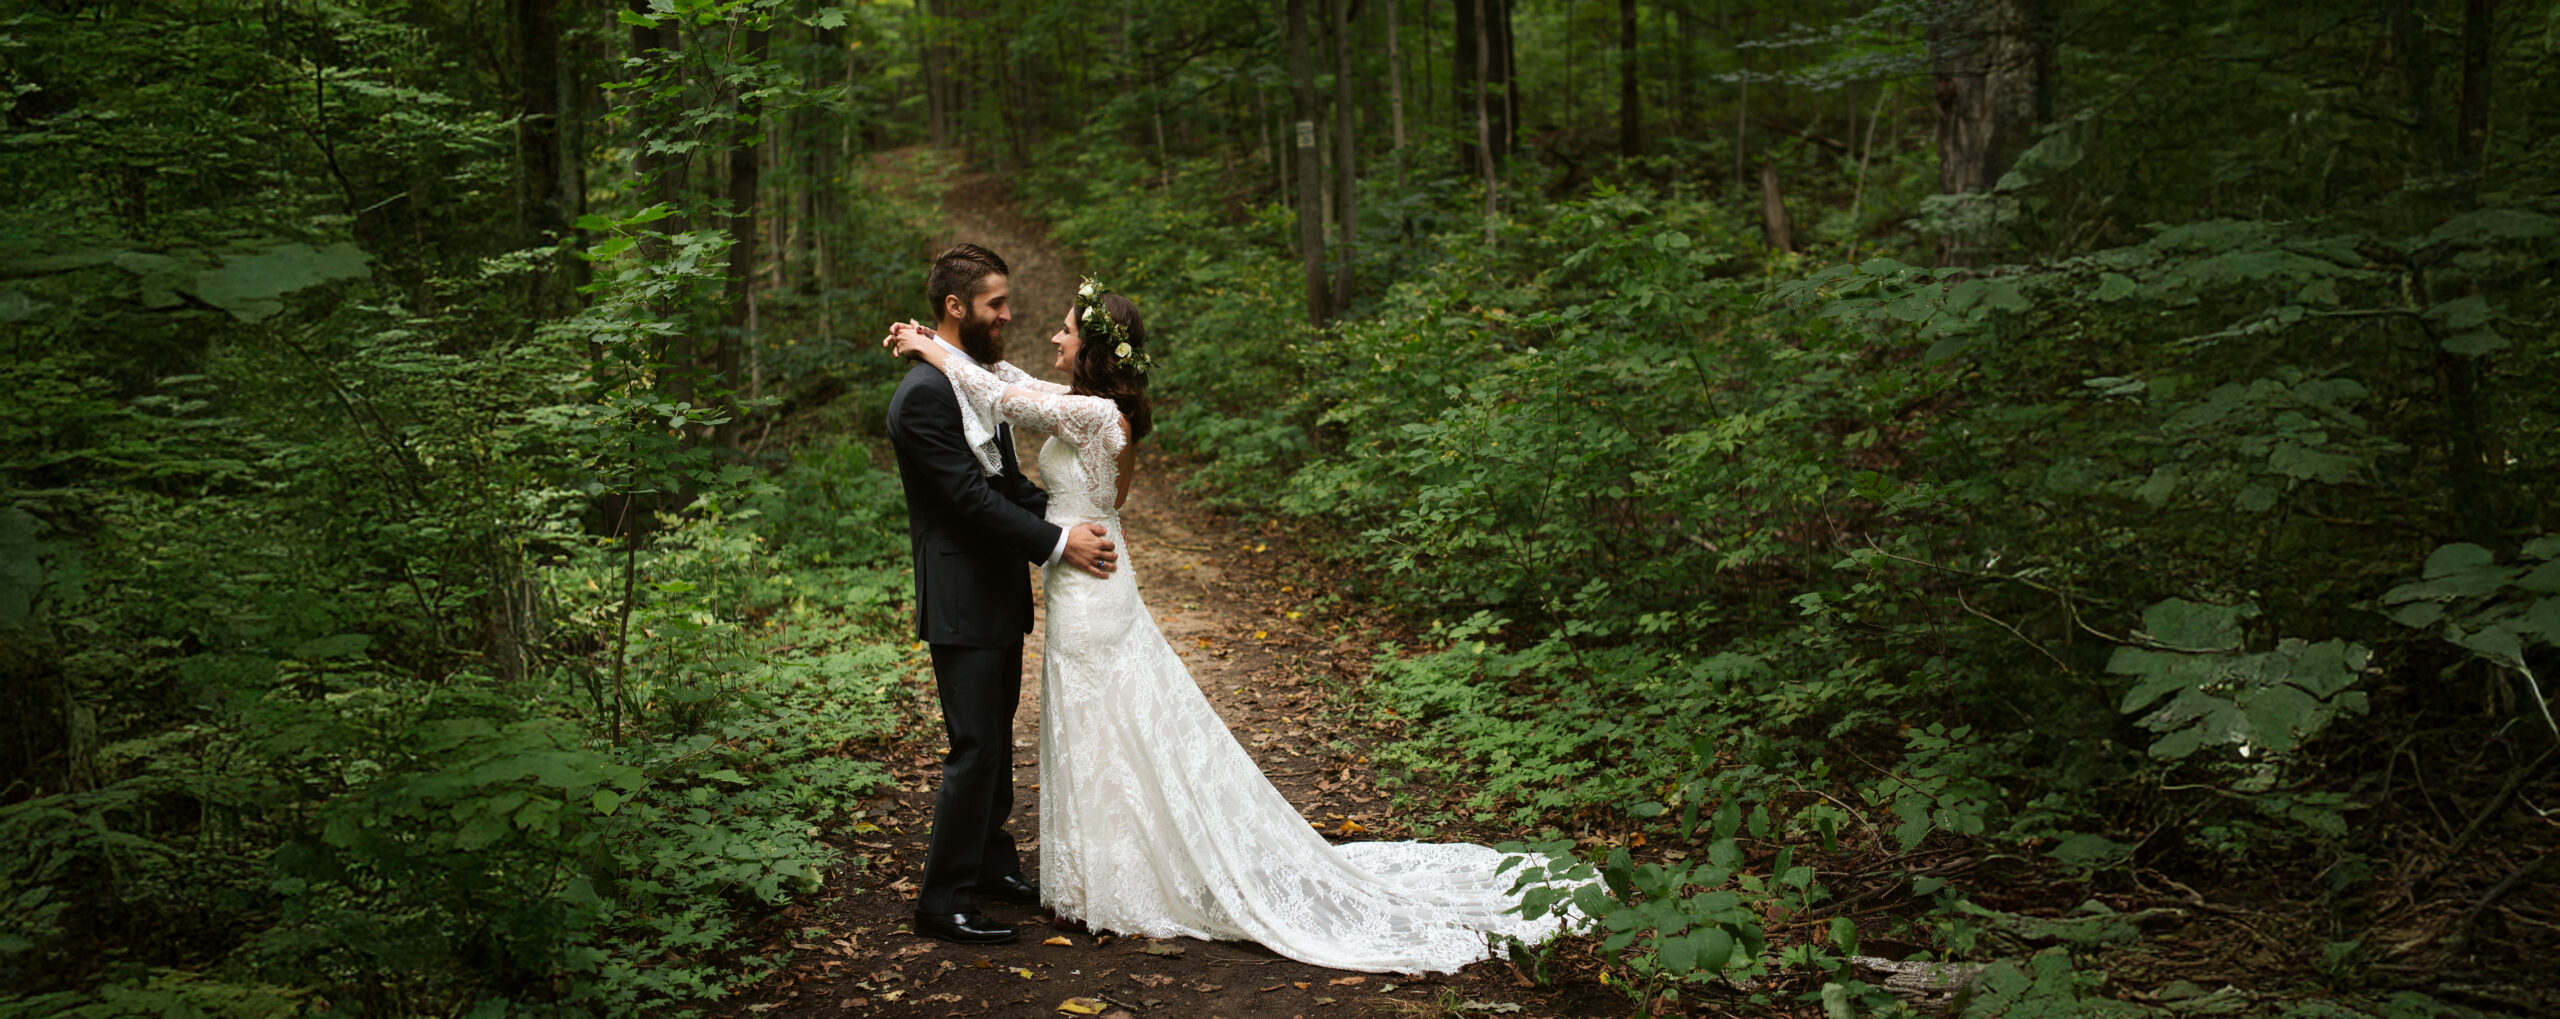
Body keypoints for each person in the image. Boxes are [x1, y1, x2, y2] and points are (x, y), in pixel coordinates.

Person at [883, 280, 1578, 973]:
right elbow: (1007, 378)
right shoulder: (1082, 404)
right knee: (1087, 721)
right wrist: (938, 343)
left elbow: (1003, 397)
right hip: (1078, 576)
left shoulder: (1094, 414)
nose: (1053, 337)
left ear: (1091, 349)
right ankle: (1086, 875)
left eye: (1066, 330)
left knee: (1102, 723)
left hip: (1092, 584)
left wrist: (926, 347)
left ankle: (1118, 881)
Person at [884, 244, 1119, 947]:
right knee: (975, 746)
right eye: (996, 304)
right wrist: (1057, 543)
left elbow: (1005, 483)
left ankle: (990, 865)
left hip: (993, 593)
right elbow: (965, 501)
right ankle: (942, 898)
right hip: (960, 594)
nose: (1008, 315)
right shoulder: (923, 396)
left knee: (994, 743)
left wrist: (1063, 509)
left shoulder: (972, 379)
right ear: (955, 307)